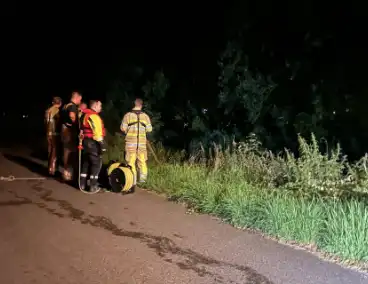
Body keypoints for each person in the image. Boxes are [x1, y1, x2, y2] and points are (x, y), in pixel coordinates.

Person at [120, 98, 152, 186]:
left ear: (134, 104)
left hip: (131, 144)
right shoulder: (145, 116)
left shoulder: (127, 116)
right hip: (141, 145)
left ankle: (132, 181)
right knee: (142, 162)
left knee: (131, 162)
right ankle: (143, 182)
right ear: (141, 105)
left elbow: (123, 128)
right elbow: (149, 129)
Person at [79, 100, 106, 192]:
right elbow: (97, 133)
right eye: (100, 106)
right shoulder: (94, 116)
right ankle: (93, 185)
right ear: (94, 106)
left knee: (86, 162)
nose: (101, 108)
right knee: (96, 163)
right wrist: (102, 144)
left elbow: (81, 129)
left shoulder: (84, 115)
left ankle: (82, 184)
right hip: (92, 142)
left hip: (85, 142)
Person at [61, 91, 82, 181]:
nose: (80, 102)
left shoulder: (65, 105)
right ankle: (69, 174)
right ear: (76, 98)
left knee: (66, 151)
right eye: (80, 100)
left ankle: (65, 172)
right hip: (69, 131)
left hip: (64, 130)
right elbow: (72, 116)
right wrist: (75, 124)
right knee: (71, 152)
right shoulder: (72, 106)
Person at [44, 96, 62, 176]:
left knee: (50, 150)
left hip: (48, 133)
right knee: (55, 151)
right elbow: (58, 122)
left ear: (52, 102)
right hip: (55, 133)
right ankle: (52, 169)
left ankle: (49, 168)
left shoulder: (47, 111)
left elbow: (46, 123)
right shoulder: (56, 111)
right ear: (60, 103)